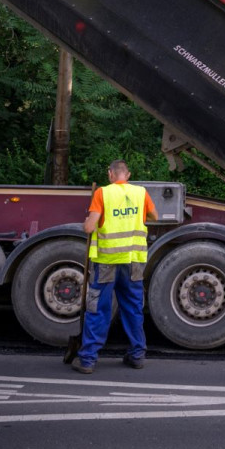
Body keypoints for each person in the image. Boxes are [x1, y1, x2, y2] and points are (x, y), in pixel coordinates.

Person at [72, 160, 158, 374]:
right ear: (128, 175)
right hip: (133, 261)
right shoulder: (141, 193)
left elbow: (89, 227)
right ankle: (137, 355)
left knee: (98, 309)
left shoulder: (103, 193)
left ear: (110, 174)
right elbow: (154, 216)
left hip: (107, 262)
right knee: (132, 308)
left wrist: (87, 222)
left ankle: (87, 360)